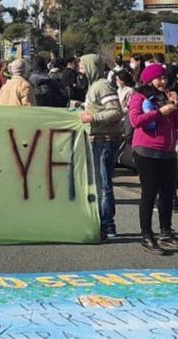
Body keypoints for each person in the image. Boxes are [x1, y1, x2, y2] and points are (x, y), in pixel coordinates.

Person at [129, 63, 178, 255]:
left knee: (167, 193)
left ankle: (166, 231)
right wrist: (160, 112)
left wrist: (175, 106)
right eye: (159, 78)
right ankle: (146, 235)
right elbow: (135, 120)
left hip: (168, 151)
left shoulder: (167, 96)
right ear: (149, 79)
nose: (163, 82)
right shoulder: (139, 96)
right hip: (146, 150)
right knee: (149, 192)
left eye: (165, 78)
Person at [78, 54, 124, 240]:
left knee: (103, 184)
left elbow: (115, 111)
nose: (80, 68)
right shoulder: (93, 86)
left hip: (104, 140)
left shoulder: (102, 85)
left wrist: (92, 118)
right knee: (99, 183)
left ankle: (107, 225)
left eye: (83, 65)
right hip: (97, 138)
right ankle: (103, 223)